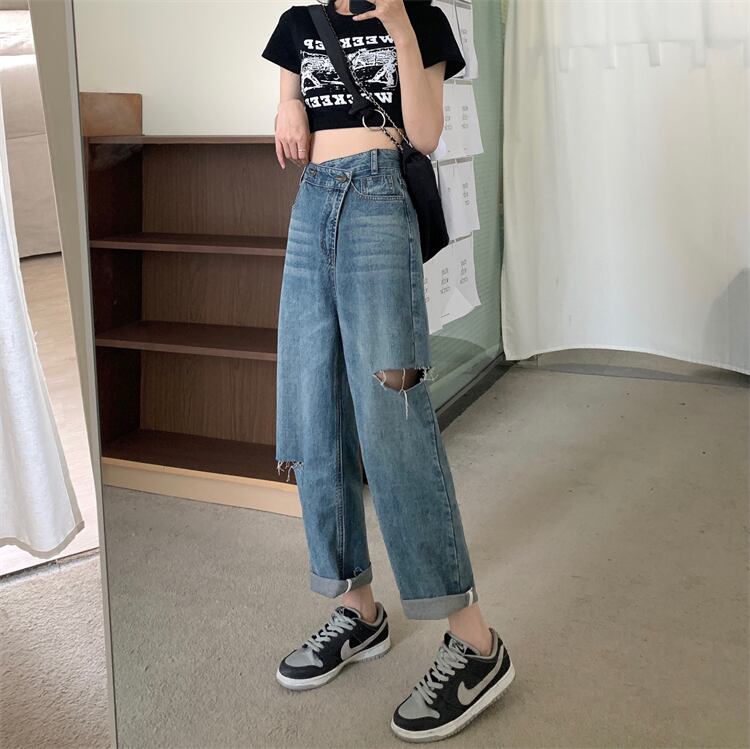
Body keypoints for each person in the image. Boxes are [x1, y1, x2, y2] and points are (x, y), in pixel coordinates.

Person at [261, 0, 515, 741]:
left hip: (378, 199)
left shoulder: (423, 20)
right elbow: (288, 100)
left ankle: (476, 642)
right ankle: (357, 608)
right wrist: (286, 106)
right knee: (310, 405)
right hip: (312, 203)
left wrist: (400, 25)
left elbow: (426, 134)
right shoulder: (298, 24)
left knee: (392, 416)